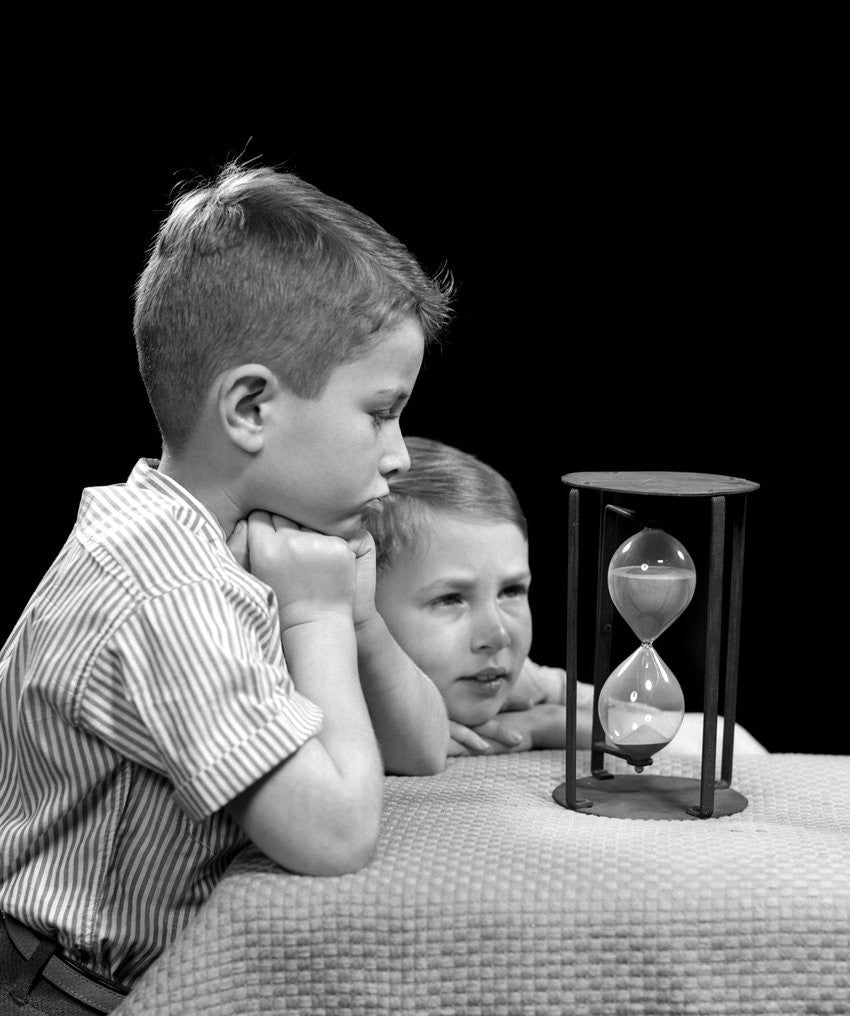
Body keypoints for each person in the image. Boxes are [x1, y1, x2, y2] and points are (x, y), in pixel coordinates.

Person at [0, 164, 452, 1012]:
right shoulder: (171, 593)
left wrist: (358, 621)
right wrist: (316, 618)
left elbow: (421, 752)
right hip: (63, 994)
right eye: (380, 411)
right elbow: (335, 836)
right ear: (250, 407)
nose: (398, 453)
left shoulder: (234, 546)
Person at [366, 436, 768, 759]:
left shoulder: (510, 676)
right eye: (451, 598)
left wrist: (547, 723)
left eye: (511, 591)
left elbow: (703, 736)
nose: (498, 634)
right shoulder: (329, 688)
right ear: (360, 601)